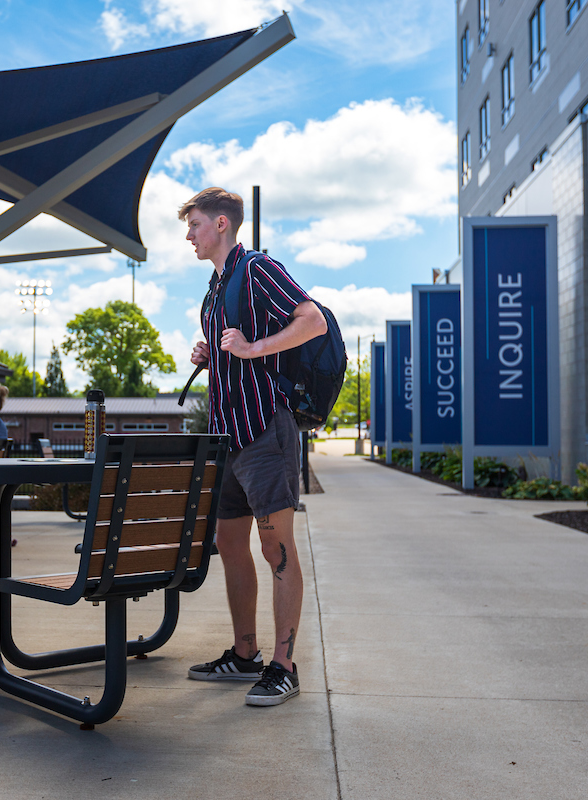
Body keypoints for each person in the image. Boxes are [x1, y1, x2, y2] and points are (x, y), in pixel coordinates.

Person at [181, 187, 327, 707]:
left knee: (276, 548)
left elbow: (313, 321)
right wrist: (211, 353)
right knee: (229, 544)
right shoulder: (214, 288)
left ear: (222, 224)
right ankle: (244, 655)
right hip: (227, 437)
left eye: (195, 224)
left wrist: (252, 347)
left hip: (264, 429)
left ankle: (283, 667)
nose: (190, 235)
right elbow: (232, 351)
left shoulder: (258, 268)